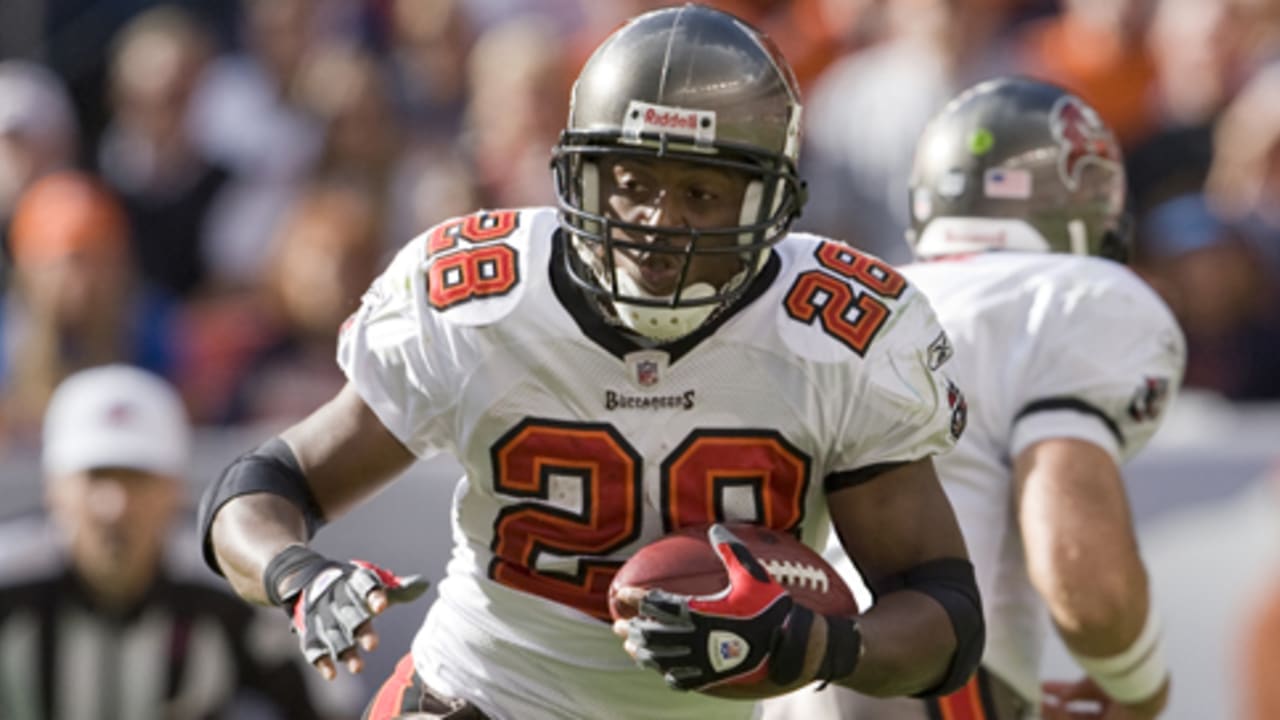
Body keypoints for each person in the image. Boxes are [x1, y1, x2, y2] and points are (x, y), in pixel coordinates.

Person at [196, 5, 984, 719]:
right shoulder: (487, 301)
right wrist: (300, 577)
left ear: (768, 202)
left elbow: (944, 612)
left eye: (701, 194)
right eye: (632, 182)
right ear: (581, 175)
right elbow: (265, 486)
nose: (656, 223)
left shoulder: (831, 334)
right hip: (479, 699)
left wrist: (820, 648)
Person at [762, 78, 1186, 719]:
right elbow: (1082, 575)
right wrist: (1137, 681)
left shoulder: (874, 296)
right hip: (935, 667)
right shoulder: (1076, 297)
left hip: (796, 669)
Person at [0, 364, 361, 718]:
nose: (116, 506)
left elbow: (331, 704)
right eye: (96, 477)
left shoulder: (234, 594)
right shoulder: (11, 586)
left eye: (137, 479)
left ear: (175, 489)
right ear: (54, 488)